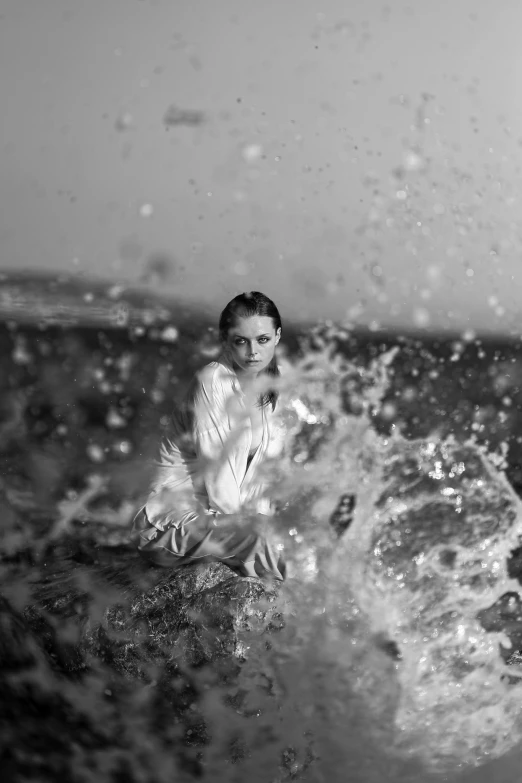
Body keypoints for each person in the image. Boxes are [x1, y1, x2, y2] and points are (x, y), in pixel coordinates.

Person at [133, 291, 287, 581]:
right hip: (169, 526)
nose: (253, 351)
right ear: (225, 339)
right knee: (263, 540)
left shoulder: (269, 393)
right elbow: (221, 486)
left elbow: (259, 485)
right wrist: (259, 531)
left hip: (220, 525)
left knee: (298, 543)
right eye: (241, 341)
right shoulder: (212, 380)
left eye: (263, 340)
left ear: (277, 336)